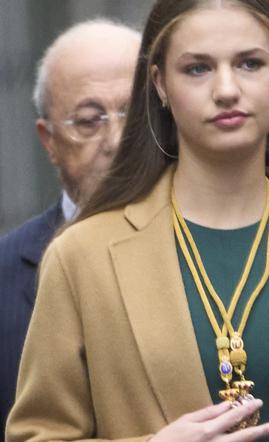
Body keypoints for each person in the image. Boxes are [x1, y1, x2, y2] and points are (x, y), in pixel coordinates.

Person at [6, 0, 269, 440]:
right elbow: (37, 433)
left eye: (250, 63)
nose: (226, 89)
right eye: (198, 69)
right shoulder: (82, 257)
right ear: (159, 84)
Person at [0, 19, 139, 432]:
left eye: (134, 114)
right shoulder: (5, 276)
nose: (116, 140)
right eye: (89, 120)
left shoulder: (213, 243)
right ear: (49, 142)